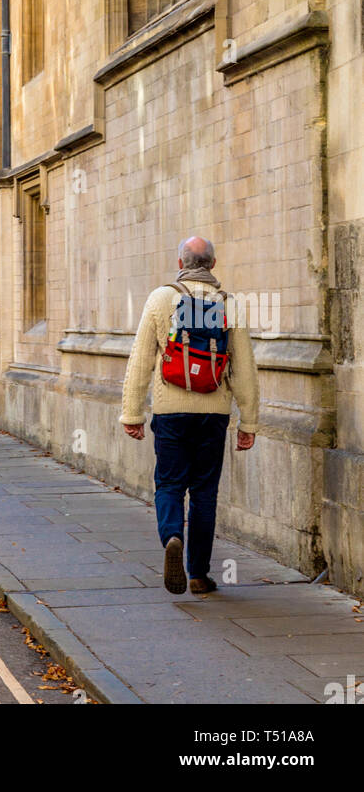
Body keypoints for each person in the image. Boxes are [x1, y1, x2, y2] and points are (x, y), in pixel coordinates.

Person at [120, 236, 259, 596]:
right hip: (213, 413)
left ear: (180, 261)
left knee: (169, 484)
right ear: (213, 264)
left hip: (171, 412)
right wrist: (249, 422)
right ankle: (198, 573)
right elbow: (244, 370)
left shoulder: (161, 298)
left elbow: (140, 361)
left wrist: (131, 413)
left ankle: (172, 537)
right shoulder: (228, 304)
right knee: (204, 492)